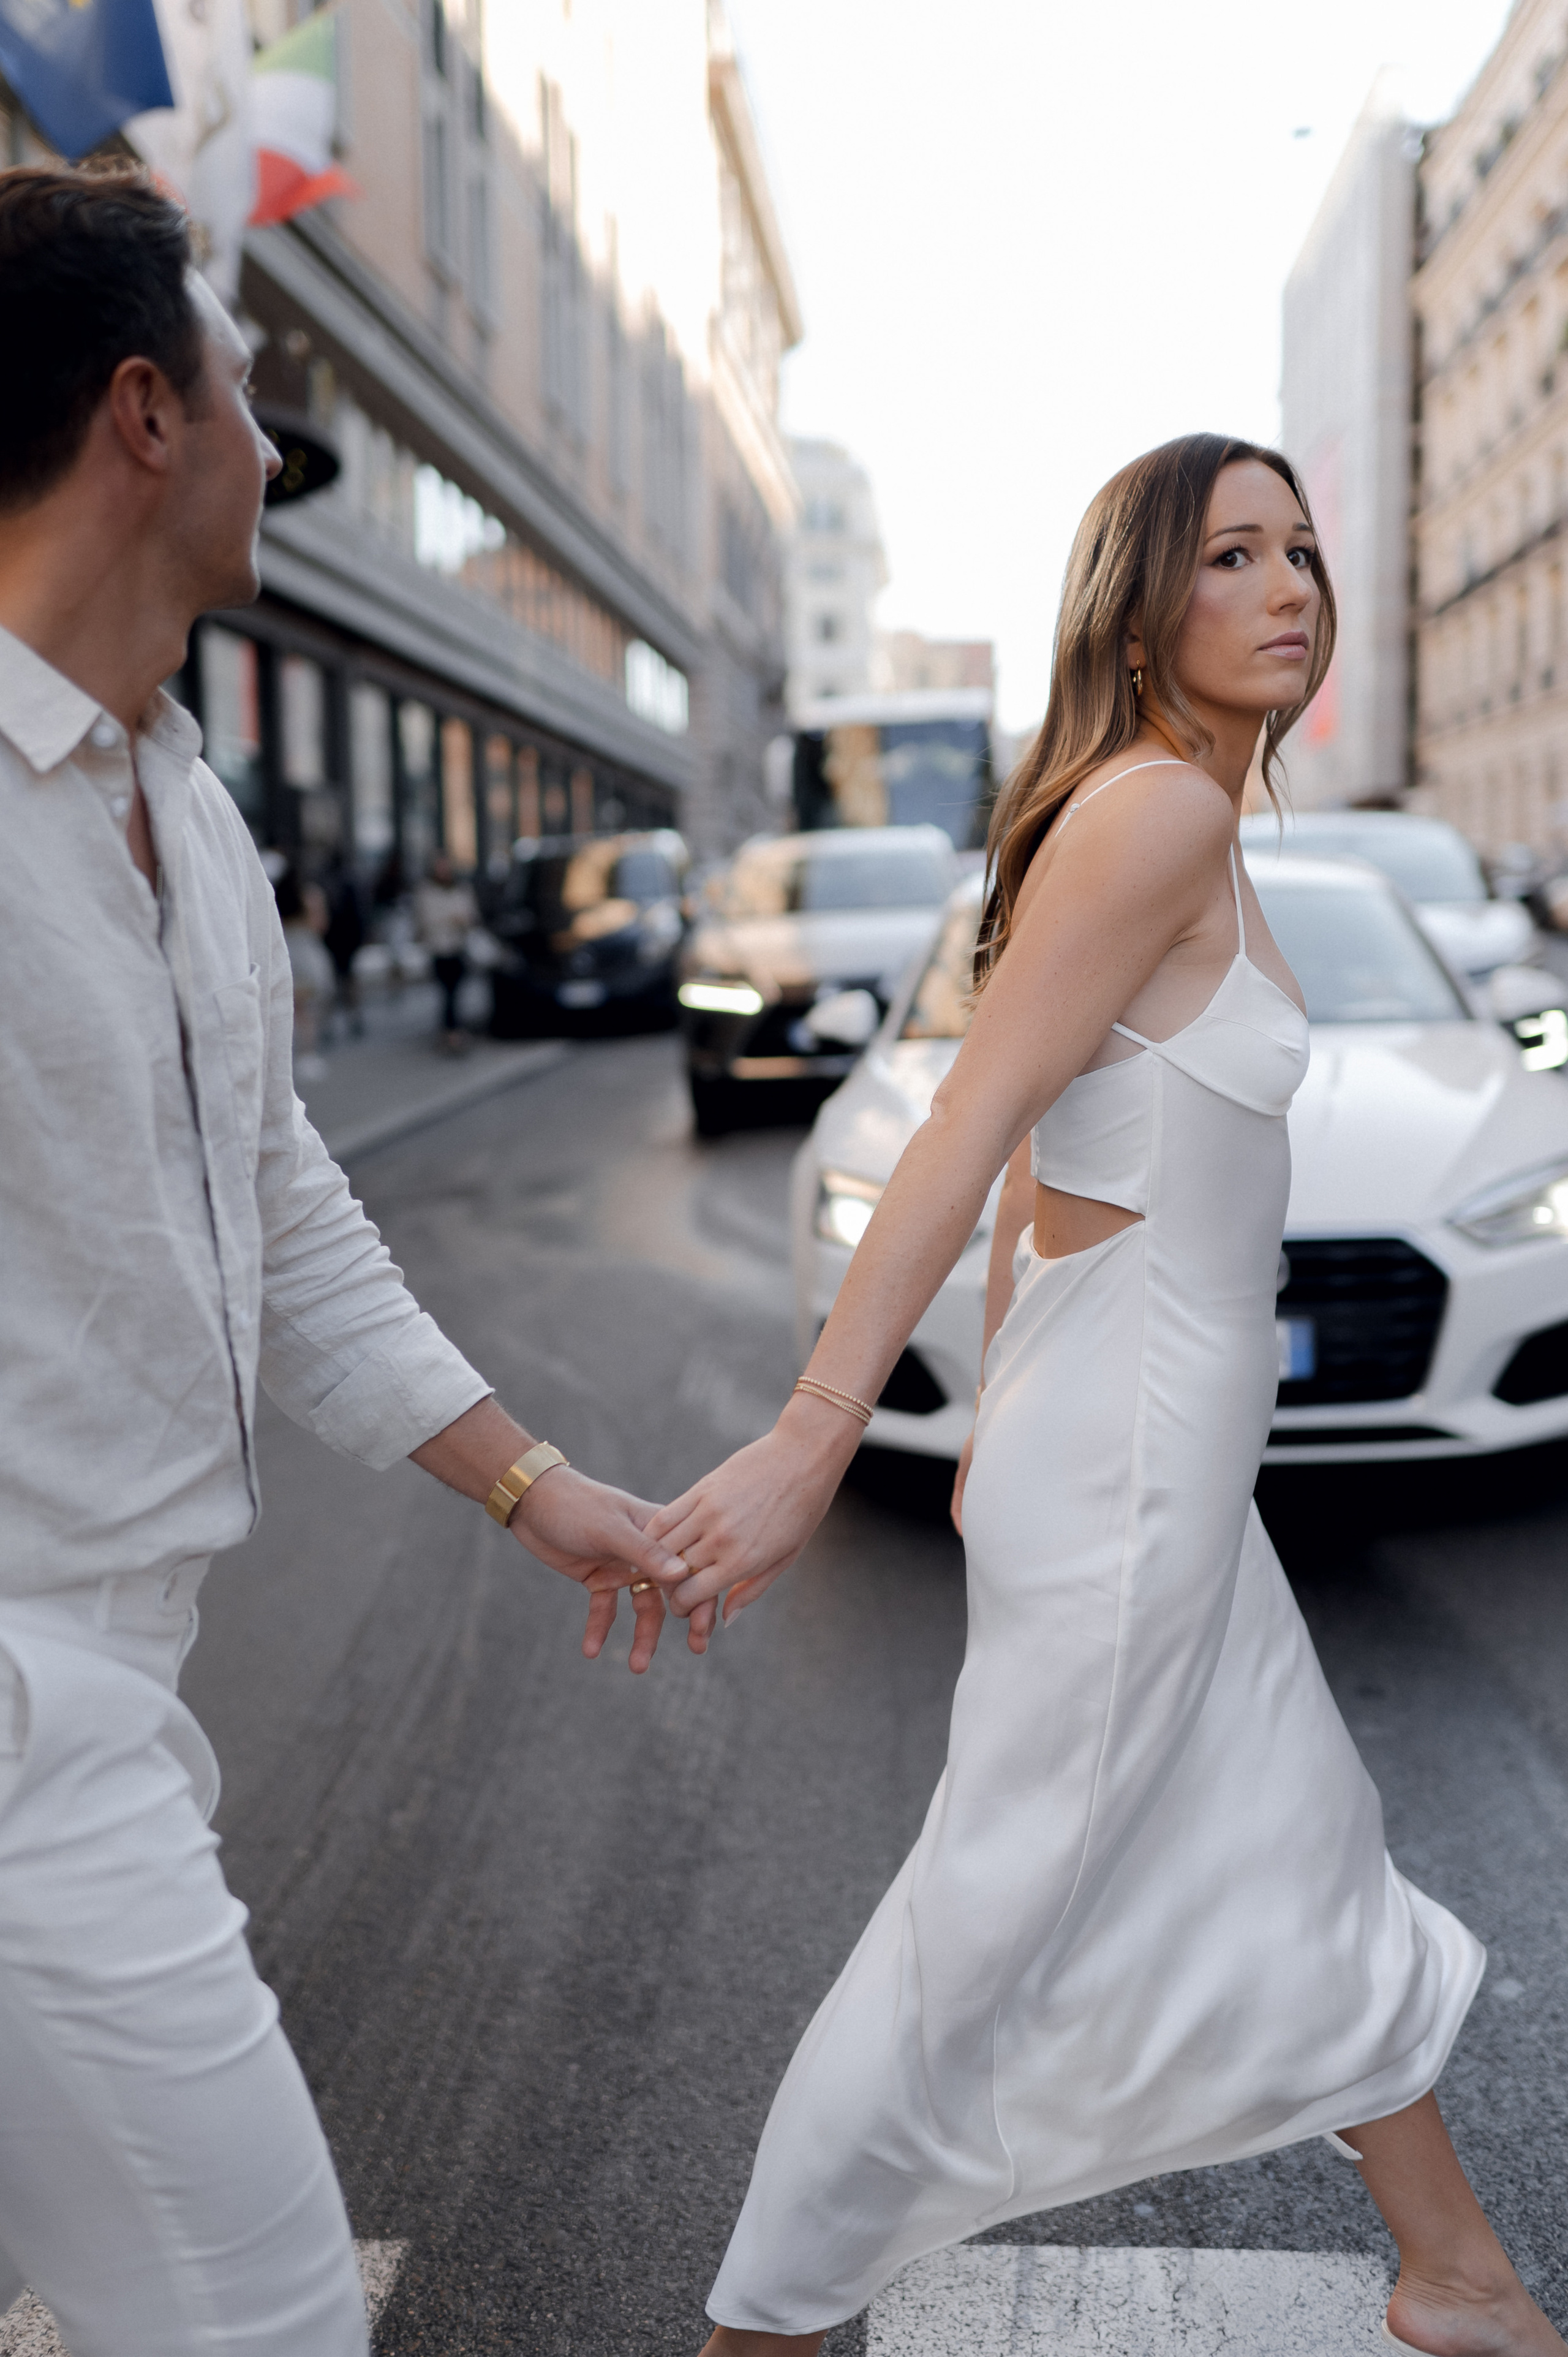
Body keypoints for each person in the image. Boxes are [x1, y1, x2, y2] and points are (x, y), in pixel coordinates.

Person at [630, 437, 1563, 2357]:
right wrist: (826, 1427)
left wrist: (993, 1408)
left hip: (1145, 1446)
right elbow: (967, 1119)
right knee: (988, 1919)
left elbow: (1055, 1131)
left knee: (1295, 1837)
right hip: (1136, 1460)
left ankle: (1457, 2273)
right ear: (1141, 601)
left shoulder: (1184, 819)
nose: (1288, 583)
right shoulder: (1145, 819)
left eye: (1301, 547)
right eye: (1232, 553)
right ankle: (759, 2328)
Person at [0, 162, 690, 2357]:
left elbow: (278, 1200)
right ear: (141, 414)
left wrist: (536, 1483)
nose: (273, 437)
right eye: (241, 380)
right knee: (262, 2308)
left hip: (128, 1666)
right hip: (24, 1715)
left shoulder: (186, 798)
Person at [415, 847, 478, 1051]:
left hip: (458, 948)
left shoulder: (461, 889)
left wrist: (460, 921)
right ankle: (452, 1032)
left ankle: (450, 1030)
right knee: (447, 993)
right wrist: (449, 919)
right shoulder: (426, 891)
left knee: (454, 993)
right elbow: (425, 920)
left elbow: (471, 916)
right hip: (439, 950)